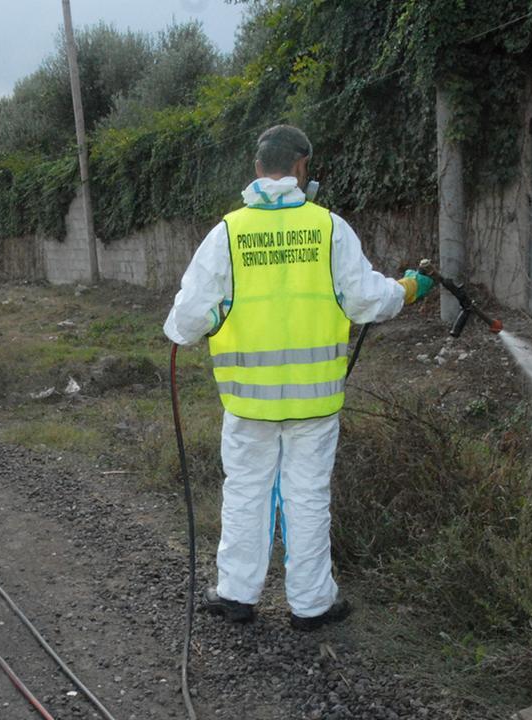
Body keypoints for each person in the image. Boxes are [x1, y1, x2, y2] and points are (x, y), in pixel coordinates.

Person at [163, 125, 433, 630]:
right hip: (315, 404)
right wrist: (409, 288)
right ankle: (311, 606)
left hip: (249, 407)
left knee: (245, 492)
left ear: (256, 166)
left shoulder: (227, 233)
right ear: (302, 166)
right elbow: (367, 301)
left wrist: (218, 313)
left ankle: (236, 597)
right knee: (308, 497)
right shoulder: (330, 228)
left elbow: (182, 324)